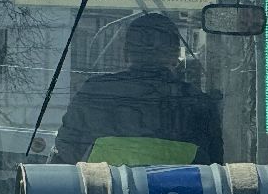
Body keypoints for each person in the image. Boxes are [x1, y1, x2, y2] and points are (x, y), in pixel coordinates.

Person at [51, 12, 224, 165]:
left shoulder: (93, 92)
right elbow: (216, 173)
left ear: (125, 53)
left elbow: (66, 153)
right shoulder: (199, 105)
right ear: (175, 55)